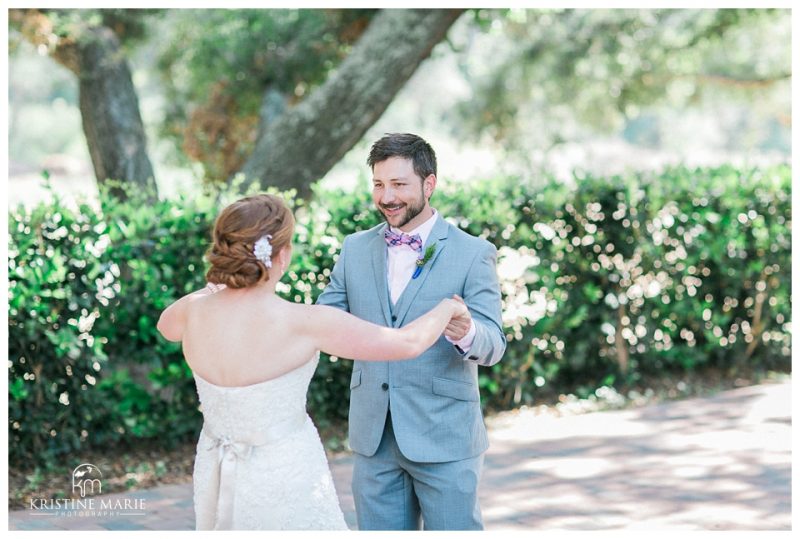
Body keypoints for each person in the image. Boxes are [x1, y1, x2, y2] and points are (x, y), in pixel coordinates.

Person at [156, 193, 467, 530]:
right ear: (282, 255)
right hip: (285, 472)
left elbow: (165, 326)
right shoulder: (303, 322)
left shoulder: (192, 312)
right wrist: (447, 308)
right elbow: (407, 343)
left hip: (214, 466)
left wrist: (210, 289)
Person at [316, 133, 506, 530]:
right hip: (374, 439)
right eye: (379, 184)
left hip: (445, 437)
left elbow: (494, 345)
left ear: (429, 184)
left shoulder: (473, 253)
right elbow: (321, 321)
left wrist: (467, 330)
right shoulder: (355, 248)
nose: (387, 197)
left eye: (399, 184)